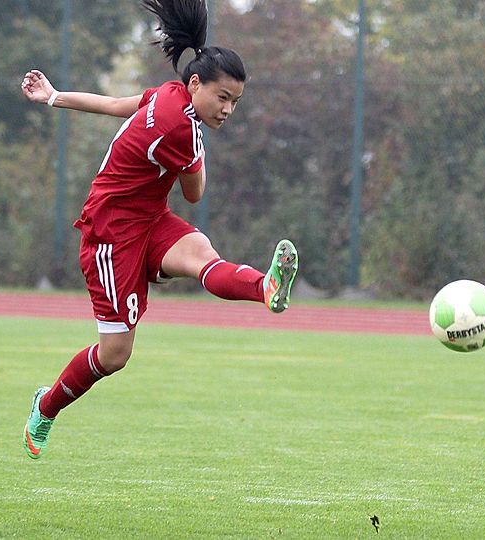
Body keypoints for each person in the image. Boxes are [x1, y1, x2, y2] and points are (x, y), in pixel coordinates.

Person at [18, 0, 299, 460]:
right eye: (223, 98)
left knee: (202, 255)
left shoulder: (169, 94)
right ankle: (45, 407)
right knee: (114, 356)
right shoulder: (179, 128)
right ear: (195, 84)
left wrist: (54, 96)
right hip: (110, 234)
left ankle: (265, 287)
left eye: (235, 101)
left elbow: (116, 105)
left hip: (149, 217)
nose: (228, 109)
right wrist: (197, 149)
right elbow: (195, 193)